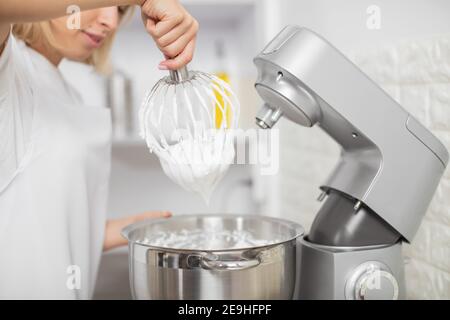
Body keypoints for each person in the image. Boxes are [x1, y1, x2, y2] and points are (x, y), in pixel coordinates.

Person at [0, 0, 198, 299]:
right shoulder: (10, 71)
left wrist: (115, 231)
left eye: (119, 10)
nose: (111, 21)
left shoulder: (67, 91)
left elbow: (32, 208)